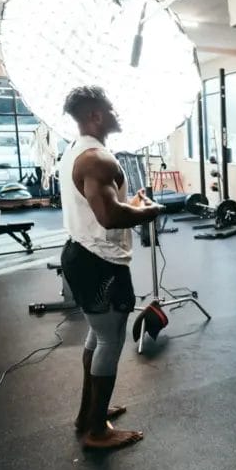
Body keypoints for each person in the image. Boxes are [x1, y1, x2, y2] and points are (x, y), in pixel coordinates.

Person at [59, 85, 163, 449]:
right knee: (109, 339)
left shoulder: (77, 150)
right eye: (112, 108)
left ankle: (89, 414)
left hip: (83, 254)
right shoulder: (97, 160)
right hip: (100, 262)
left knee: (96, 335)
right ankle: (97, 432)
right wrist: (149, 211)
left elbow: (101, 206)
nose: (118, 113)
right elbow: (109, 216)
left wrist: (130, 203)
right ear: (96, 115)